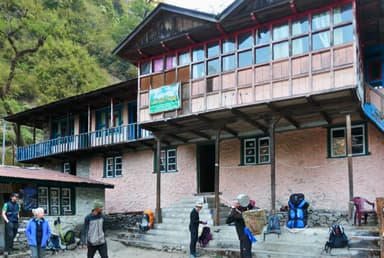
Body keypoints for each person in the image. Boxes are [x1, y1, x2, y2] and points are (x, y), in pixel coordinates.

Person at [2, 193, 20, 257]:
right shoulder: (6, 204)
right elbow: (3, 213)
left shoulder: (18, 204)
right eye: (15, 197)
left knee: (14, 235)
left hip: (15, 221)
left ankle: (11, 247)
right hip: (9, 221)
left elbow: (18, 212)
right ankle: (6, 250)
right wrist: (7, 221)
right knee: (10, 235)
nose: (17, 198)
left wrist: (18, 217)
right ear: (12, 197)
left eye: (17, 197)